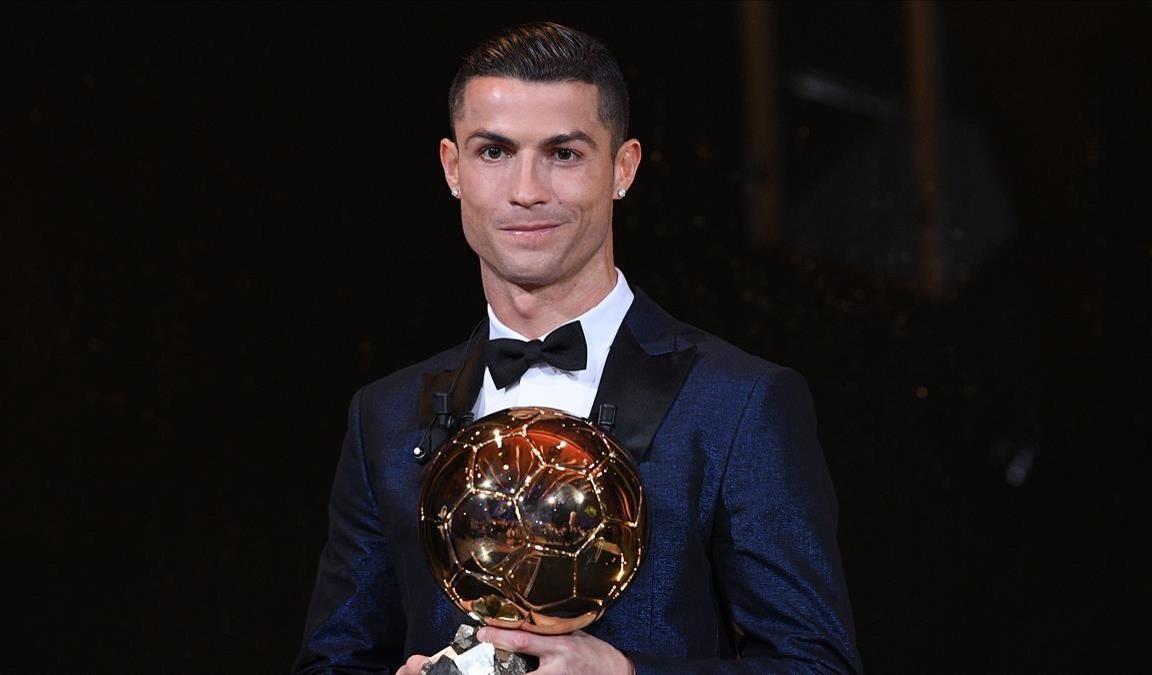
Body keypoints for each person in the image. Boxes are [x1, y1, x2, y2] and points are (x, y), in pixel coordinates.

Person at [295, 21, 861, 675]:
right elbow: (333, 660)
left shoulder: (739, 403)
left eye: (563, 153)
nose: (527, 189)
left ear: (623, 168)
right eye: (494, 152)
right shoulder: (385, 415)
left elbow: (817, 666)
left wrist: (625, 674)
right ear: (453, 168)